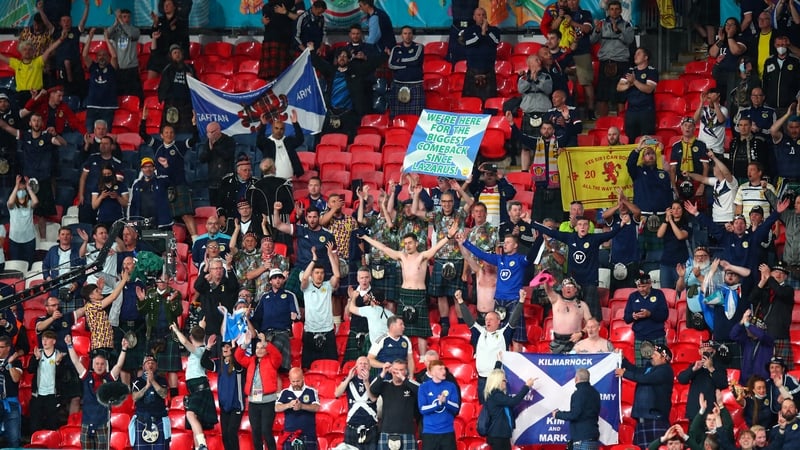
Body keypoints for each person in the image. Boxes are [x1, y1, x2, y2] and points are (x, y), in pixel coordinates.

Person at [359, 222, 457, 357]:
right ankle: (402, 358)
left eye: (410, 243)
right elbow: (382, 247)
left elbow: (435, 249)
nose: (407, 246)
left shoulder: (423, 256)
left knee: (421, 331)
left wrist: (448, 236)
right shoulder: (401, 257)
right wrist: (365, 237)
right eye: (405, 243)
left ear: (416, 244)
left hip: (419, 294)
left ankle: (423, 359)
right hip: (405, 293)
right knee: (401, 328)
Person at [532, 216, 628, 320]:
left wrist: (621, 224)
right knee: (571, 316)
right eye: (580, 224)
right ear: (576, 227)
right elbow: (550, 232)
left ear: (588, 227)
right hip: (573, 283)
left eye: (585, 224)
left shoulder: (594, 239)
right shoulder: (570, 237)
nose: (582, 227)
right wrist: (530, 222)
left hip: (589, 282)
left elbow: (611, 234)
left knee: (592, 317)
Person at [456, 289, 522, 401]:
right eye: (486, 319)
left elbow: (513, 320)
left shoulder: (504, 334)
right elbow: (469, 320)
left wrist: (521, 301)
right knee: (484, 409)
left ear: (498, 321)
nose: (488, 322)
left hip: (497, 379)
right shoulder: (479, 332)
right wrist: (460, 301)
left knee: (497, 410)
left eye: (491, 319)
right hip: (482, 379)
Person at [65, 334, 128, 450]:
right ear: (93, 365)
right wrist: (69, 345)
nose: (99, 366)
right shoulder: (86, 376)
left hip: (103, 423)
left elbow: (119, 365)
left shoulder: (109, 379)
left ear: (106, 365)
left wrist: (124, 349)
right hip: (86, 423)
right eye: (97, 364)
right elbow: (75, 361)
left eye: (102, 364)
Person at [615, 344, 675, 449]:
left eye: (655, 355)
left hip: (656, 419)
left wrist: (624, 374)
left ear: (664, 358)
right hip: (643, 419)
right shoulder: (650, 369)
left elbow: (645, 379)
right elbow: (636, 371)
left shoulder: (665, 370)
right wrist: (623, 359)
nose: (652, 356)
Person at [170, 324, 217, 450]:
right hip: (197, 390)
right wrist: (201, 326)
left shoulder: (198, 351)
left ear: (191, 337)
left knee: (190, 415)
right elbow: (196, 336)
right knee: (196, 422)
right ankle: (199, 447)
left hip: (199, 389)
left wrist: (175, 330)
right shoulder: (202, 351)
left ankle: (202, 444)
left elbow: (184, 341)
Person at [235, 330, 282, 450]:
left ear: (266, 349)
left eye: (262, 348)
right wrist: (245, 344)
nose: (259, 350)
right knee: (255, 432)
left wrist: (265, 343)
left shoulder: (272, 360)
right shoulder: (251, 360)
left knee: (266, 431)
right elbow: (238, 356)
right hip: (253, 402)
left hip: (268, 402)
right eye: (257, 348)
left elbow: (277, 356)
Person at [300, 244, 341, 368]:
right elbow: (304, 278)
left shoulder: (327, 286)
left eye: (322, 273)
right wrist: (313, 260)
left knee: (331, 365)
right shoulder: (306, 288)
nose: (319, 275)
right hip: (310, 330)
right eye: (317, 273)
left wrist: (330, 255)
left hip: (327, 330)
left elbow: (337, 275)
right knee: (308, 367)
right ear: (312, 274)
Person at [591, 0, 634, 118]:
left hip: (621, 63)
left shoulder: (626, 25)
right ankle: (602, 123)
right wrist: (597, 30)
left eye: (616, 9)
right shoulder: (602, 24)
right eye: (611, 9)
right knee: (602, 96)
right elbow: (592, 40)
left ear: (620, 10)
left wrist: (618, 31)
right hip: (605, 63)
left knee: (621, 97)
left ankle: (621, 123)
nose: (614, 12)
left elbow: (629, 40)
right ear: (608, 11)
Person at [251, 268, 298, 372]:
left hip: (282, 333)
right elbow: (256, 318)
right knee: (260, 352)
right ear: (270, 281)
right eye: (275, 278)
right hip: (266, 334)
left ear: (283, 279)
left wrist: (294, 315)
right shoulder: (264, 297)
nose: (278, 280)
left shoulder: (289, 295)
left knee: (273, 352)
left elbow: (296, 314)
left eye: (280, 278)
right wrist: (258, 332)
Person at [370, 359, 419, 450]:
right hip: (387, 431)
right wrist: (383, 372)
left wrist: (404, 379)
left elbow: (421, 391)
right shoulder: (385, 385)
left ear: (405, 371)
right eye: (396, 370)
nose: (398, 373)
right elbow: (372, 389)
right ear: (391, 370)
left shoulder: (410, 385)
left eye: (401, 370)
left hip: (407, 431)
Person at [624, 272, 669, 367]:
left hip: (657, 336)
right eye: (639, 286)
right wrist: (633, 316)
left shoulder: (659, 294)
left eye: (644, 286)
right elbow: (626, 318)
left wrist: (650, 314)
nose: (641, 289)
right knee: (641, 370)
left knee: (660, 368)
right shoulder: (633, 296)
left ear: (650, 284)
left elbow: (664, 315)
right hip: (640, 338)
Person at [482, 369, 535, 450]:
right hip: (498, 436)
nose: (506, 381)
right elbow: (514, 401)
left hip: (501, 435)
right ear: (498, 381)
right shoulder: (496, 395)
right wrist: (527, 386)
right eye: (504, 380)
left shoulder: (496, 395)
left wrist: (498, 362)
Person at [335, 356, 379, 450]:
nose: (363, 366)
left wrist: (366, 381)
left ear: (370, 367)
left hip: (370, 427)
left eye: (365, 363)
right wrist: (348, 378)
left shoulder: (375, 380)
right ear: (356, 367)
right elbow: (337, 393)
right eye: (360, 363)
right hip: (352, 427)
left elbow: (373, 398)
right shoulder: (349, 380)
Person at [677, 341, 729, 419]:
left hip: (711, 412)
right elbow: (681, 379)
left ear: (713, 352)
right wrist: (693, 369)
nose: (705, 352)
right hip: (694, 411)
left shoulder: (718, 366)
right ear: (699, 352)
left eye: (708, 350)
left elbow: (723, 384)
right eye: (703, 350)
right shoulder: (696, 365)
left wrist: (711, 368)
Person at [346, 278, 394, 360]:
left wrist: (353, 297)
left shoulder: (370, 310)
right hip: (388, 349)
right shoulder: (391, 314)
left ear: (373, 300)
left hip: (375, 349)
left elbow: (351, 309)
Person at [552, 368, 601, 450]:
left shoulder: (578, 394)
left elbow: (574, 414)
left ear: (576, 379)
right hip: (594, 437)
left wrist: (557, 414)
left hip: (582, 439)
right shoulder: (596, 393)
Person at [194, 257, 239, 343]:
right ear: (210, 270)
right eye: (215, 268)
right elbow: (197, 286)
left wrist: (229, 268)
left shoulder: (226, 282)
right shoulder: (205, 284)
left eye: (220, 268)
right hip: (209, 325)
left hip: (224, 325)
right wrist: (205, 269)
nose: (218, 271)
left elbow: (234, 286)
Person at [418, 360, 460, 450]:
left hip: (447, 432)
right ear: (432, 372)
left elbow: (456, 407)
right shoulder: (423, 387)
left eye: (444, 369)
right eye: (440, 369)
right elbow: (422, 409)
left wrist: (446, 402)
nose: (444, 371)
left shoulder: (451, 386)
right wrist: (438, 404)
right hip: (430, 433)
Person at [81, 28, 119, 132]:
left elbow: (114, 56)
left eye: (104, 55)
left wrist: (107, 39)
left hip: (108, 107)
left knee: (106, 135)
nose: (102, 57)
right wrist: (90, 37)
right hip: (92, 105)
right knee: (89, 132)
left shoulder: (112, 68)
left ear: (108, 57)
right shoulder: (93, 67)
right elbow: (84, 55)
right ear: (96, 57)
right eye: (99, 55)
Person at [130, 354, 170, 450]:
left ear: (156, 366)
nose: (150, 365)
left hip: (159, 418)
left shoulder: (162, 380)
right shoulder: (138, 381)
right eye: (148, 363)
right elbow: (135, 397)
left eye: (153, 363)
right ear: (143, 366)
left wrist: (153, 381)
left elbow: (164, 394)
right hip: (142, 419)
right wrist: (147, 386)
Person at [543, 277, 592, 354]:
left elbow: (590, 323)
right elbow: (548, 290)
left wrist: (581, 333)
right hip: (557, 342)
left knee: (575, 365)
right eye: (566, 286)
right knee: (556, 364)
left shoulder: (582, 305)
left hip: (575, 342)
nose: (568, 288)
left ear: (575, 289)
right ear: (562, 289)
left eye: (571, 286)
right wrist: (545, 280)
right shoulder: (556, 300)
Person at [462, 8, 500, 101]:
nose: (481, 17)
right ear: (474, 17)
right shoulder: (468, 31)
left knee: (489, 102)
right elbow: (469, 43)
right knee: (470, 102)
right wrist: (482, 33)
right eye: (479, 15)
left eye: (483, 15)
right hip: (473, 70)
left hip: (488, 70)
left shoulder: (494, 30)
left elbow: (495, 42)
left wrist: (486, 31)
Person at [277, 367, 321, 450]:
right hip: (290, 435)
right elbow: (276, 408)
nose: (296, 383)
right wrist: (288, 405)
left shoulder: (311, 391)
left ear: (303, 378)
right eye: (293, 381)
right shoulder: (285, 392)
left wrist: (302, 406)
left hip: (308, 434)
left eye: (298, 381)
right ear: (289, 379)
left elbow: (316, 407)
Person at [255, 110, 305, 181]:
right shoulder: (267, 143)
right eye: (276, 128)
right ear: (272, 129)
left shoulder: (288, 141)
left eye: (281, 129)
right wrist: (263, 125)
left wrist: (295, 123)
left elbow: (300, 139)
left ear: (284, 130)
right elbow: (259, 142)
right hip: (271, 181)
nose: (279, 131)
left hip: (289, 181)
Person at [388, 26, 425, 118]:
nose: (407, 36)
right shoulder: (395, 48)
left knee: (416, 117)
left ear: (413, 35)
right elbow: (391, 65)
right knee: (397, 116)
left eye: (409, 33)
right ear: (401, 35)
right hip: (398, 84)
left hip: (416, 85)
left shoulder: (419, 47)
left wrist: (400, 61)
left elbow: (415, 60)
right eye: (405, 33)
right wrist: (407, 64)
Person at [709, 18, 748, 104]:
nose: (728, 26)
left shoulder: (740, 38)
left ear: (736, 27)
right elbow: (712, 53)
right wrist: (721, 40)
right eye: (727, 24)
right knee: (720, 102)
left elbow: (736, 51)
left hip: (734, 76)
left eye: (731, 24)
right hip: (721, 75)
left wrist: (730, 36)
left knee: (731, 102)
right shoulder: (722, 39)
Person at [106, 8, 142, 99]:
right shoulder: (116, 31)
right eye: (123, 17)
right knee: (120, 95)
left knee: (134, 95)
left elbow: (130, 34)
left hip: (131, 68)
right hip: (119, 68)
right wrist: (115, 23)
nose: (126, 19)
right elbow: (107, 34)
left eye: (128, 17)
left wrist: (121, 22)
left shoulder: (135, 30)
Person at [198, 121, 236, 209]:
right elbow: (202, 159)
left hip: (226, 180)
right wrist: (209, 148)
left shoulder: (229, 140)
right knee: (214, 208)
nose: (210, 134)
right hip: (212, 180)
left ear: (218, 130)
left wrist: (214, 146)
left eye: (212, 132)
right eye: (208, 132)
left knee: (226, 206)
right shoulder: (208, 143)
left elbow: (227, 155)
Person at [128, 157, 173, 229]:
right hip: (142, 223)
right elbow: (132, 204)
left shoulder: (161, 181)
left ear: (154, 168)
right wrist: (130, 222)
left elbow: (171, 178)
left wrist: (166, 166)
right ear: (141, 169)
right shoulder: (136, 184)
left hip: (161, 223)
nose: (148, 169)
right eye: (145, 167)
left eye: (150, 166)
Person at [215, 340, 245, 450]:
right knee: (225, 436)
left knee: (231, 433)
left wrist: (234, 349)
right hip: (224, 406)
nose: (225, 348)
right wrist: (208, 348)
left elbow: (237, 362)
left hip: (236, 405)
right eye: (223, 346)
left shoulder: (238, 365)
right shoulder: (220, 364)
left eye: (228, 346)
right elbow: (205, 363)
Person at [259, 0, 298, 81]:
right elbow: (265, 19)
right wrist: (262, 21)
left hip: (283, 41)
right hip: (270, 40)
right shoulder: (266, 7)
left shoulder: (288, 4)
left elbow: (298, 18)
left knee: (282, 74)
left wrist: (285, 12)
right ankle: (270, 91)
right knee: (269, 74)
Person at [762, 36, 800, 117]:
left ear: (787, 45)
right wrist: (765, 99)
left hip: (789, 106)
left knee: (788, 129)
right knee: (772, 129)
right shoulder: (769, 61)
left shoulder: (795, 61)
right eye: (778, 44)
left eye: (783, 44)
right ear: (775, 45)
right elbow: (764, 81)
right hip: (770, 105)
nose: (780, 47)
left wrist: (795, 100)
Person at [657, 201, 691, 289]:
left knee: (682, 290)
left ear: (683, 210)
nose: (675, 210)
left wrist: (671, 221)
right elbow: (659, 235)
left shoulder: (687, 225)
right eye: (673, 208)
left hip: (681, 263)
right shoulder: (666, 224)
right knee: (666, 291)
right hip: (666, 263)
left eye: (678, 208)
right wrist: (666, 220)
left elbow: (680, 236)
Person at [6, 176, 37, 265]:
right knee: (16, 266)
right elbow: (11, 202)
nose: (21, 192)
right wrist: (16, 186)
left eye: (23, 190)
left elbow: (36, 202)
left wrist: (28, 187)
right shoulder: (12, 206)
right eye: (19, 190)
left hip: (29, 239)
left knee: (29, 265)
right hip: (15, 240)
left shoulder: (30, 204)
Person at [0, 335, 22, 447]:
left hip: (10, 403)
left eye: (1, 347)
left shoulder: (16, 362)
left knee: (13, 440)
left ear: (8, 348)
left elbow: (16, 378)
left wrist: (10, 364)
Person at [694, 88, 729, 155]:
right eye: (709, 98)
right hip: (702, 148)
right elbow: (695, 120)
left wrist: (715, 102)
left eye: (713, 98)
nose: (711, 100)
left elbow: (721, 120)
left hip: (717, 149)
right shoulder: (703, 109)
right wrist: (701, 103)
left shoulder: (724, 110)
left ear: (718, 98)